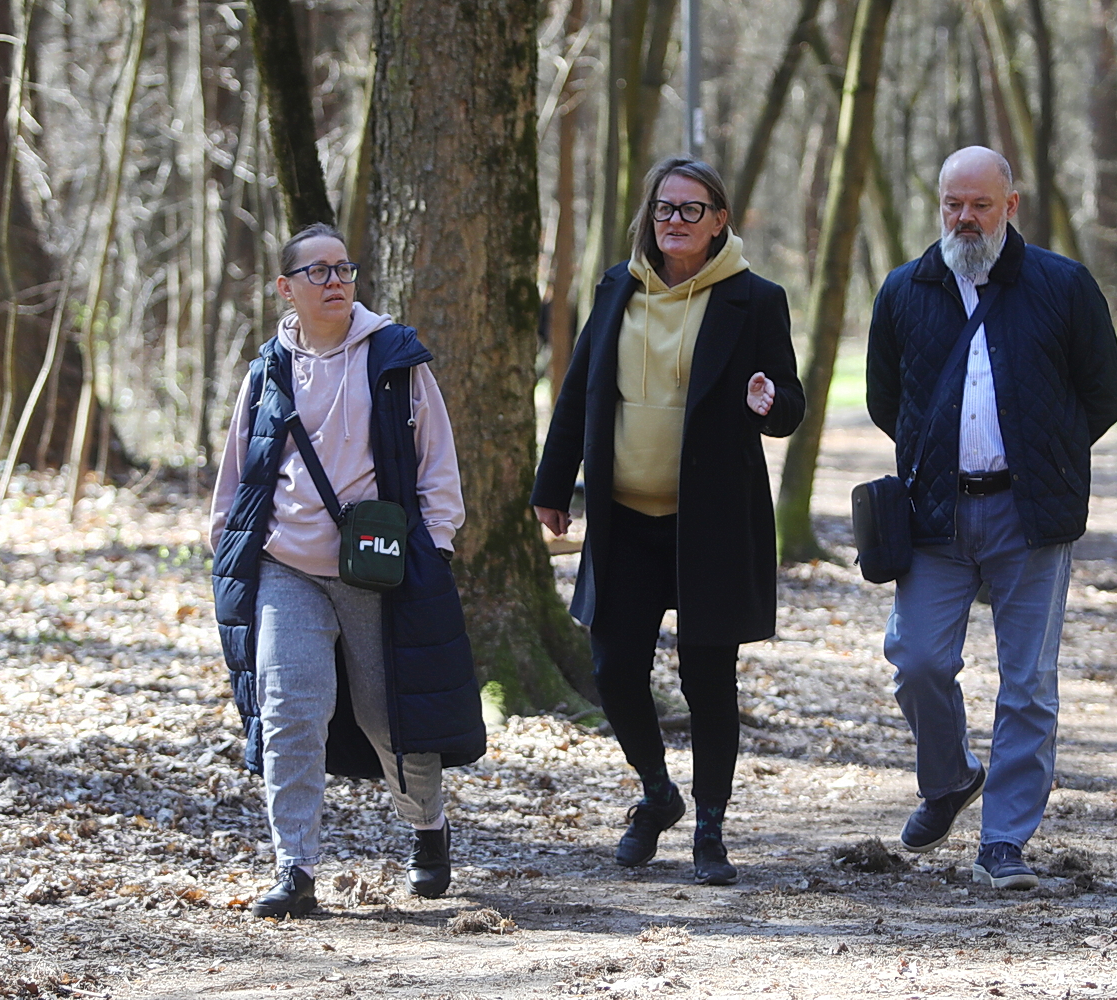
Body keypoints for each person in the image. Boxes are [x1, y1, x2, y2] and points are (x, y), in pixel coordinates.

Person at [532, 157, 804, 886]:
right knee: (613, 667)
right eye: (663, 208)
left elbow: (789, 404)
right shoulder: (616, 288)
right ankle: (657, 792)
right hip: (623, 519)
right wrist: (552, 485)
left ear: (720, 220)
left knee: (707, 678)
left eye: (690, 209)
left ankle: (710, 829)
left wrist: (767, 401)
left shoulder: (755, 299)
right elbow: (579, 392)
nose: (674, 220)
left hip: (710, 523)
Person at [865, 146, 1117, 889]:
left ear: (1010, 206)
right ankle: (950, 778)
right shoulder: (904, 290)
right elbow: (888, 401)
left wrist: (1047, 459)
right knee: (917, 661)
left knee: (1028, 684)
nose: (965, 218)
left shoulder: (1063, 285)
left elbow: (1105, 394)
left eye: (980, 205)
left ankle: (1004, 842)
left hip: (1030, 513)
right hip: (935, 516)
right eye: (953, 204)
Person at [209, 222, 485, 918]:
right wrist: (226, 544)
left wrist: (435, 545)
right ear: (287, 288)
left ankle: (427, 827)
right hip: (285, 567)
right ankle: (295, 867)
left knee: (389, 714)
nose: (335, 281)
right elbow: (239, 469)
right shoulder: (268, 370)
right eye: (318, 271)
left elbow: (436, 460)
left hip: (376, 569)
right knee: (289, 710)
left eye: (344, 269)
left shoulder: (394, 356)